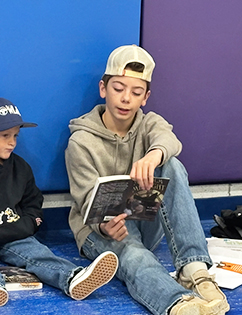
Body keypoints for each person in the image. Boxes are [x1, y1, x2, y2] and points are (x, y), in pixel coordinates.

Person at [65, 45, 230, 315]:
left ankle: (194, 271)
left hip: (144, 218)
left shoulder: (149, 122)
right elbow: (85, 204)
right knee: (134, 253)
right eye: (118, 88)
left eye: (136, 92)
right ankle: (176, 302)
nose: (126, 98)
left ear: (145, 97)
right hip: (102, 229)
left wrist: (153, 156)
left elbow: (169, 140)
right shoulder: (81, 141)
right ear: (103, 88)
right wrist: (104, 227)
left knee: (172, 164)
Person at [0, 97, 118, 307]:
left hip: (15, 234)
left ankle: (72, 278)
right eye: (5, 135)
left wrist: (23, 227)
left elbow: (33, 207)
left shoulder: (21, 168)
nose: (12, 142)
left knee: (39, 254)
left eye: (15, 135)